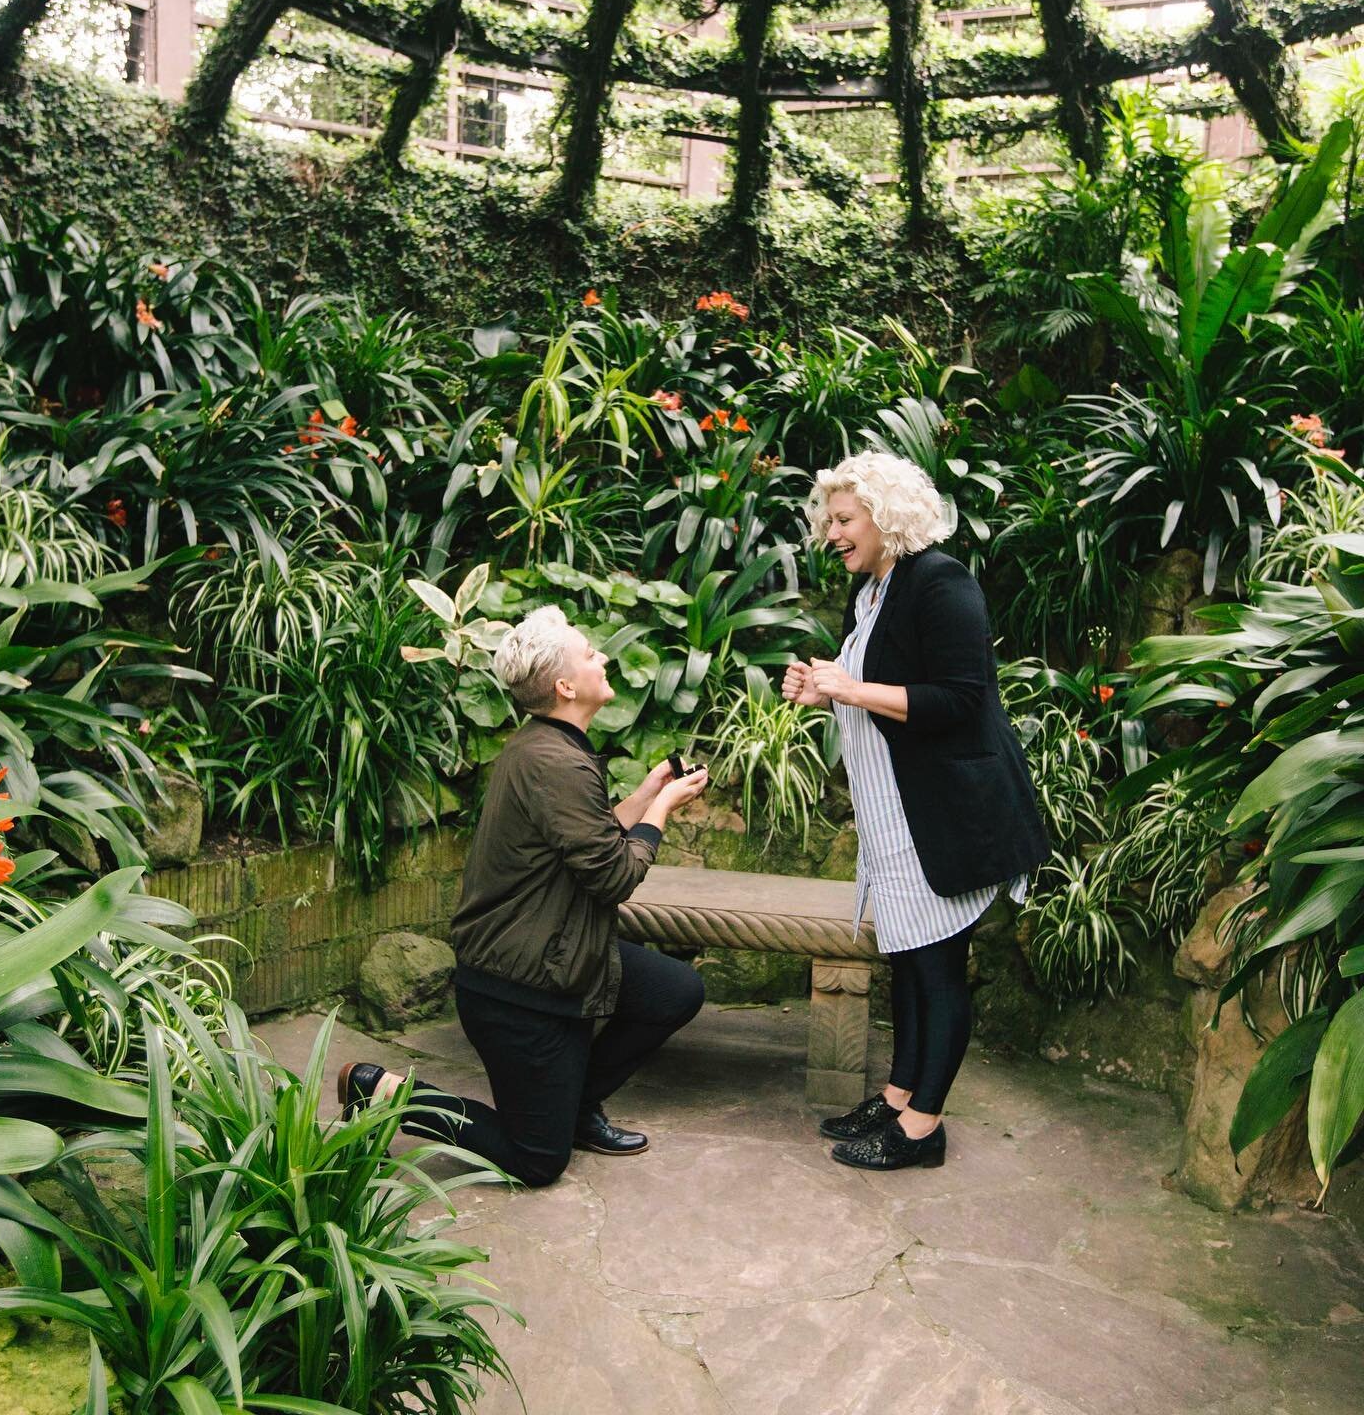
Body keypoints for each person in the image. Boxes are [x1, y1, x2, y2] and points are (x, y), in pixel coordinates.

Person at [339, 606, 708, 1187]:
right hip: (519, 987)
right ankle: (383, 1090)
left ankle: (574, 1111)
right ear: (565, 686)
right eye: (590, 654)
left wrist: (643, 795)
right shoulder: (554, 761)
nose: (603, 657)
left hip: (554, 956)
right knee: (537, 1162)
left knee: (674, 990)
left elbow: (586, 836)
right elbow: (613, 877)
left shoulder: (547, 746)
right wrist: (661, 813)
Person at [782, 451, 1048, 1172]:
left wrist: (853, 689)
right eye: (825, 520)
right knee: (907, 965)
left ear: (885, 515)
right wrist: (824, 690)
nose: (829, 534)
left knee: (937, 971)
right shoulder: (872, 591)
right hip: (893, 814)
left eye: (843, 519)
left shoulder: (940, 581)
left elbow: (961, 699)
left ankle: (923, 1130)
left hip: (941, 815)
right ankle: (900, 1096)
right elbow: (873, 684)